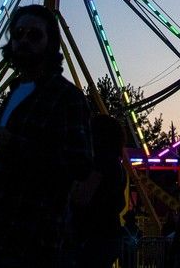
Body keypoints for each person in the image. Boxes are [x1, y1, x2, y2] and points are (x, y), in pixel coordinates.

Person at [0, 4, 92, 267]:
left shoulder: (67, 98)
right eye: (18, 34)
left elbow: (79, 165)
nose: (24, 40)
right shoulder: (14, 94)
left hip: (36, 239)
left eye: (35, 35)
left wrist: (15, 145)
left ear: (51, 42)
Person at [67, 113, 128, 268]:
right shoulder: (118, 166)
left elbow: (83, 197)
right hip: (110, 233)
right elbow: (120, 203)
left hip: (94, 235)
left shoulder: (102, 162)